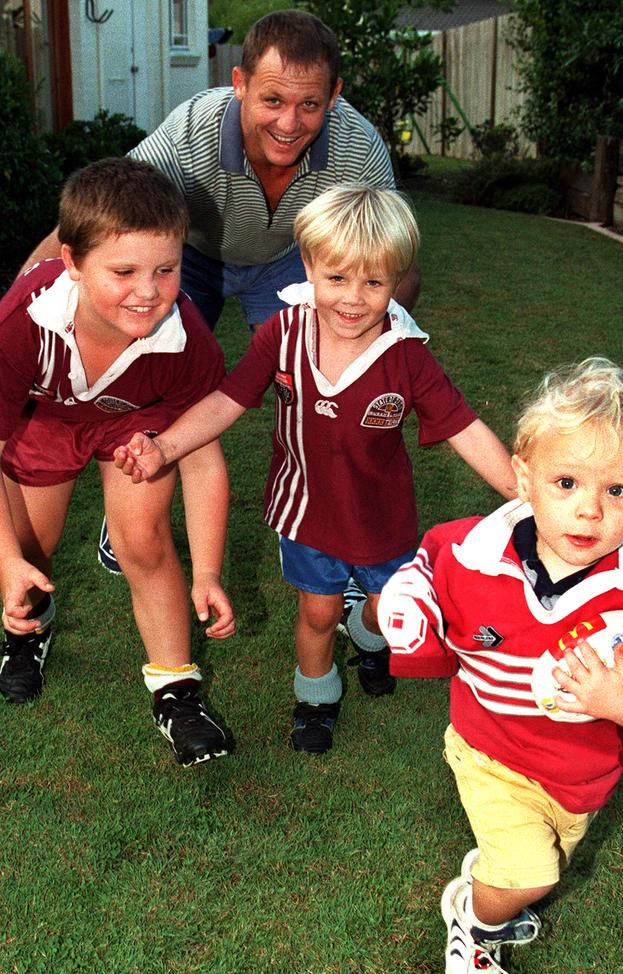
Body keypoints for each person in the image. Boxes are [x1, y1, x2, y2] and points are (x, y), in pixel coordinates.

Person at [114, 185, 516, 755]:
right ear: (309, 265)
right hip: (305, 512)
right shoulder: (283, 333)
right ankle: (316, 701)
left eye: (374, 282)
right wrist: (165, 446)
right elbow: (227, 401)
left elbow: (461, 426)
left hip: (383, 519)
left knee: (389, 607)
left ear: (397, 280)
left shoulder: (406, 354)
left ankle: (369, 633)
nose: (353, 298)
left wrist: (518, 490)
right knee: (318, 612)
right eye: (337, 279)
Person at [20, 9, 421, 576]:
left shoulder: (358, 147)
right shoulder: (192, 131)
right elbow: (97, 224)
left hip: (289, 261)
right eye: (273, 100)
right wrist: (15, 310)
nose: (289, 122)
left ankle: (335, 531)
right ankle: (135, 493)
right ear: (239, 84)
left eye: (310, 104)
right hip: (194, 258)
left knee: (315, 390)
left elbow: (395, 258)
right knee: (152, 366)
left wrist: (372, 344)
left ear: (334, 97)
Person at [377, 357, 623, 974]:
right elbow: (430, 567)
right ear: (523, 478)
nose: (589, 511)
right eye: (566, 483)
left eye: (617, 491)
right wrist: (406, 604)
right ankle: (475, 922)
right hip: (489, 748)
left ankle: (491, 880)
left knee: (545, 858)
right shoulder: (472, 551)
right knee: (532, 874)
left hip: (583, 772)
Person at [0, 158, 236, 768]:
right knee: (30, 550)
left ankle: (177, 691)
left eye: (167, 268)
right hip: (45, 416)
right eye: (124, 270)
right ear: (74, 262)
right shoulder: (22, 321)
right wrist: (5, 562)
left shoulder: (183, 337)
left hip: (137, 420)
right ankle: (27, 629)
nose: (149, 290)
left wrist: (207, 571)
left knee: (145, 540)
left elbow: (203, 459)